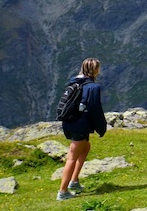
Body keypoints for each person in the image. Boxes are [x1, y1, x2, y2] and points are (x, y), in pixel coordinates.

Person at [56, 58, 107, 201]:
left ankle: (74, 182)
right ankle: (63, 192)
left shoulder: (74, 82)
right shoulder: (93, 87)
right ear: (96, 70)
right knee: (72, 157)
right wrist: (101, 127)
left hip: (69, 122)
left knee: (85, 147)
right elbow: (95, 109)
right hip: (81, 124)